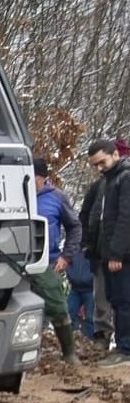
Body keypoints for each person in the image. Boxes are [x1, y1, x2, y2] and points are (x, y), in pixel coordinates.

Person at [84, 140, 130, 367]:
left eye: (102, 162)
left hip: (121, 255)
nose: (99, 168)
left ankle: (125, 349)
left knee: (123, 301)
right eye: (95, 165)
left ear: (115, 154)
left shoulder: (125, 178)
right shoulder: (108, 181)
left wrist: (116, 254)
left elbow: (125, 219)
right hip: (106, 253)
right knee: (115, 299)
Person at [32, 158, 79, 364]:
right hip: (15, 261)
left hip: (47, 261)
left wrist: (66, 255)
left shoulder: (56, 198)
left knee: (57, 306)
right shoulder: (12, 196)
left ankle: (69, 353)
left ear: (41, 177)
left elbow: (75, 228)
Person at [66, 247, 96, 340]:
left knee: (90, 318)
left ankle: (90, 341)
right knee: (69, 314)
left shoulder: (93, 248)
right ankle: (70, 341)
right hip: (75, 288)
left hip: (90, 289)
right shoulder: (74, 247)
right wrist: (70, 274)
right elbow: (67, 260)